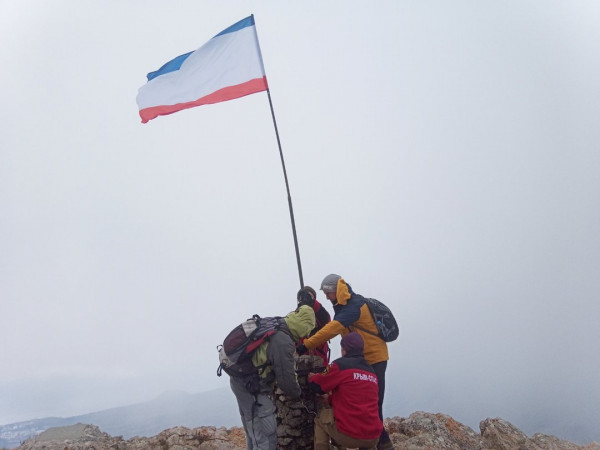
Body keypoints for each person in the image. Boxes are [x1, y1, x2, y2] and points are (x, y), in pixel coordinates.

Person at [298, 274, 394, 450]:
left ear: (335, 290)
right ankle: (376, 442)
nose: (326, 297)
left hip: (374, 358)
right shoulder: (343, 306)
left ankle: (383, 444)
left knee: (373, 404)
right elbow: (328, 319)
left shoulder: (354, 306)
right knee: (365, 402)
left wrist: (306, 345)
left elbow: (333, 328)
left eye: (328, 293)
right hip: (365, 358)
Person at [230, 305, 315, 450]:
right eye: (308, 330)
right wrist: (299, 393)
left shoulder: (276, 324)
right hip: (252, 387)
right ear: (304, 327)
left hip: (240, 380)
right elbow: (286, 380)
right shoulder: (283, 341)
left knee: (253, 433)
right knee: (264, 434)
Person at [308, 332, 383, 450]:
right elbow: (355, 396)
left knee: (320, 419)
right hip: (373, 437)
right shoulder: (370, 371)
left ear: (344, 349)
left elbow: (317, 386)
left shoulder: (340, 365)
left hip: (350, 435)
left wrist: (312, 377)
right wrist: (330, 398)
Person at [296, 285, 331, 366]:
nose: (305, 299)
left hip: (319, 364)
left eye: (309, 296)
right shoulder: (295, 317)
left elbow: (327, 321)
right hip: (300, 364)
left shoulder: (320, 315)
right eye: (301, 298)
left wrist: (312, 303)